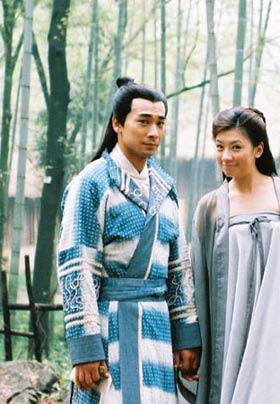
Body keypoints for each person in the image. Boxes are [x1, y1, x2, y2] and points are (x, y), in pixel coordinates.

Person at [58, 77, 201, 403]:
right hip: (110, 327)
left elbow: (178, 270)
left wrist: (186, 334)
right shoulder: (92, 183)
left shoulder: (165, 188)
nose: (154, 132)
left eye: (160, 123)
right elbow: (77, 267)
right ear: (118, 124)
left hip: (157, 329)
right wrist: (86, 347)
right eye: (144, 121)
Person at [191, 107, 280, 404]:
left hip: (279, 324)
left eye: (236, 147)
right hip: (230, 331)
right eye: (219, 147)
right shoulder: (210, 207)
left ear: (258, 149)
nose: (225, 157)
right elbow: (198, 281)